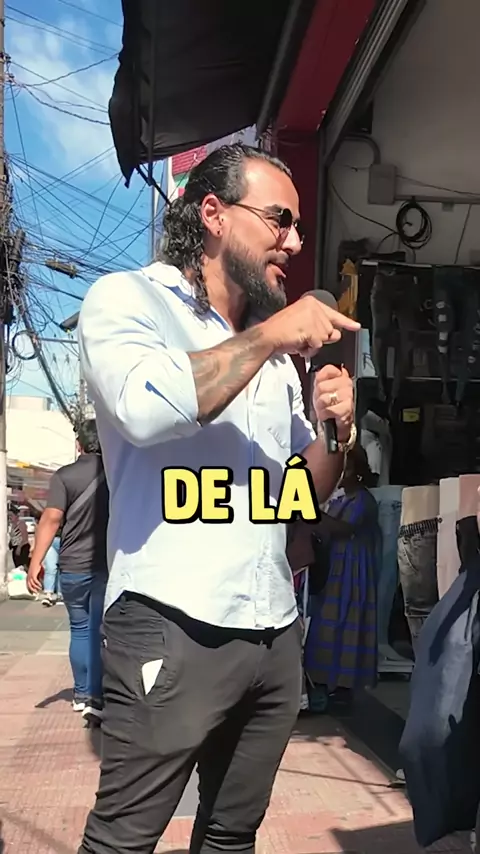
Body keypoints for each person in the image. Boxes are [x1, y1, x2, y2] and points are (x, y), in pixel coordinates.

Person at [76, 142, 358, 854]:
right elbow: (145, 409)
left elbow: (297, 498)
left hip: (273, 631)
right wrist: (270, 336)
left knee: (233, 836)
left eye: (298, 227)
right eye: (279, 220)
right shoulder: (129, 300)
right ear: (213, 214)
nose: (295, 242)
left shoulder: (271, 356)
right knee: (123, 841)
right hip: (171, 623)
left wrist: (337, 430)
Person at [27, 419, 109, 724]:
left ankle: (81, 693)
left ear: (79, 444)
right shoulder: (117, 473)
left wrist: (36, 561)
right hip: (107, 564)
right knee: (100, 631)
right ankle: (96, 697)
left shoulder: (64, 476)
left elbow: (50, 520)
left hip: (73, 565)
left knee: (80, 628)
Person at [304, 444, 379, 713]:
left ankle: (344, 688)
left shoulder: (363, 500)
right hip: (333, 569)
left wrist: (312, 512)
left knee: (348, 623)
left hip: (353, 572)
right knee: (326, 624)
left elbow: (345, 528)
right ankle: (323, 682)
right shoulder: (338, 500)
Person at [41, 532, 61, 607]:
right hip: (50, 540)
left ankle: (60, 595)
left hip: (67, 540)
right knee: (50, 568)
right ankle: (48, 595)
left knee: (63, 568)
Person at [8, 504, 30, 569]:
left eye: (11, 515)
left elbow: (25, 538)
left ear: (16, 515)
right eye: (8, 516)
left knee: (23, 566)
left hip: (22, 547)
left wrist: (19, 548)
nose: (10, 517)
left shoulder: (21, 523)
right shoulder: (11, 525)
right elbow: (13, 536)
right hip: (15, 547)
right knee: (17, 566)